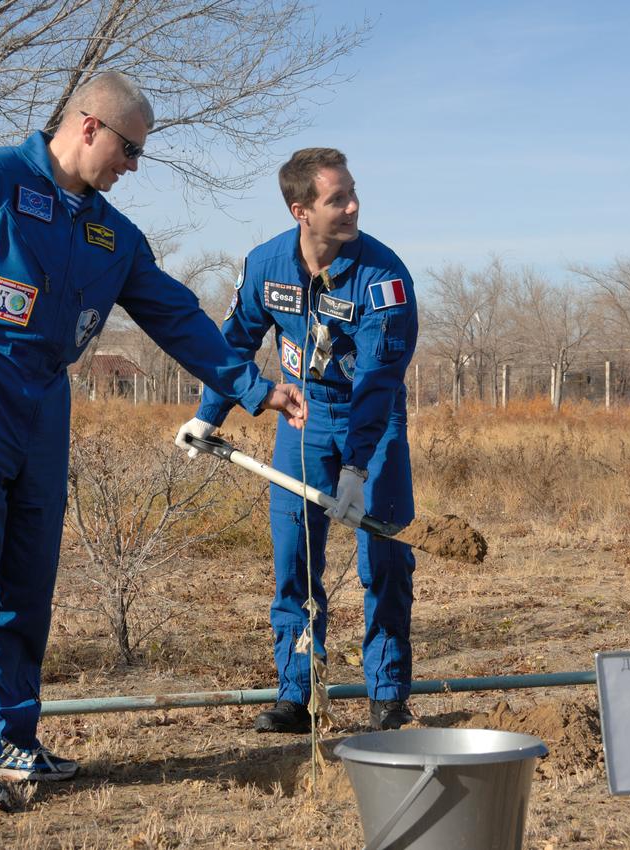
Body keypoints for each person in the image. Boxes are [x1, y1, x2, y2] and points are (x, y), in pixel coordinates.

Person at [0, 72, 306, 815]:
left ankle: (17, 737)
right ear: (88, 126)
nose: (132, 166)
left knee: (26, 588)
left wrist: (253, 386)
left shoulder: (110, 232)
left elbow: (175, 315)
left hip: (45, 407)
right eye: (129, 149)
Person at [175, 148, 418, 733]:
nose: (354, 206)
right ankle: (299, 692)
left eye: (354, 192)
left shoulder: (383, 278)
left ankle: (386, 695)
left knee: (382, 556)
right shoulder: (266, 265)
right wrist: (209, 416)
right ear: (300, 210)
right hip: (301, 421)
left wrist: (358, 469)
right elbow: (234, 344)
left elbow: (378, 381)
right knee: (294, 557)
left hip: (373, 422)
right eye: (338, 198)